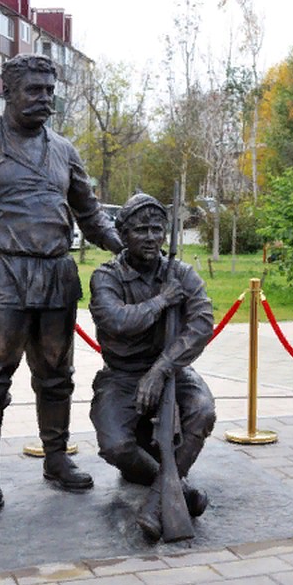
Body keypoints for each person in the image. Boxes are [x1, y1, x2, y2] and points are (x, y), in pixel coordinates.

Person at [0, 53, 123, 510]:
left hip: (55, 276)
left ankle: (56, 457)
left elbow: (91, 215)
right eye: (34, 89)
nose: (44, 99)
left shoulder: (64, 152)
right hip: (0, 277)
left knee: (56, 374)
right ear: (7, 93)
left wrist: (126, 249)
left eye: (49, 91)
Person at [88, 194, 216, 540]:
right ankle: (179, 488)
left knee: (202, 410)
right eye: (140, 230)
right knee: (115, 445)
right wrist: (162, 301)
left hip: (170, 369)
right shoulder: (107, 276)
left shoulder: (181, 273)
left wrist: (161, 369)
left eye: (157, 230)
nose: (150, 237)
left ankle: (157, 502)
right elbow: (116, 321)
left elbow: (202, 324)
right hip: (122, 375)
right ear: (123, 235)